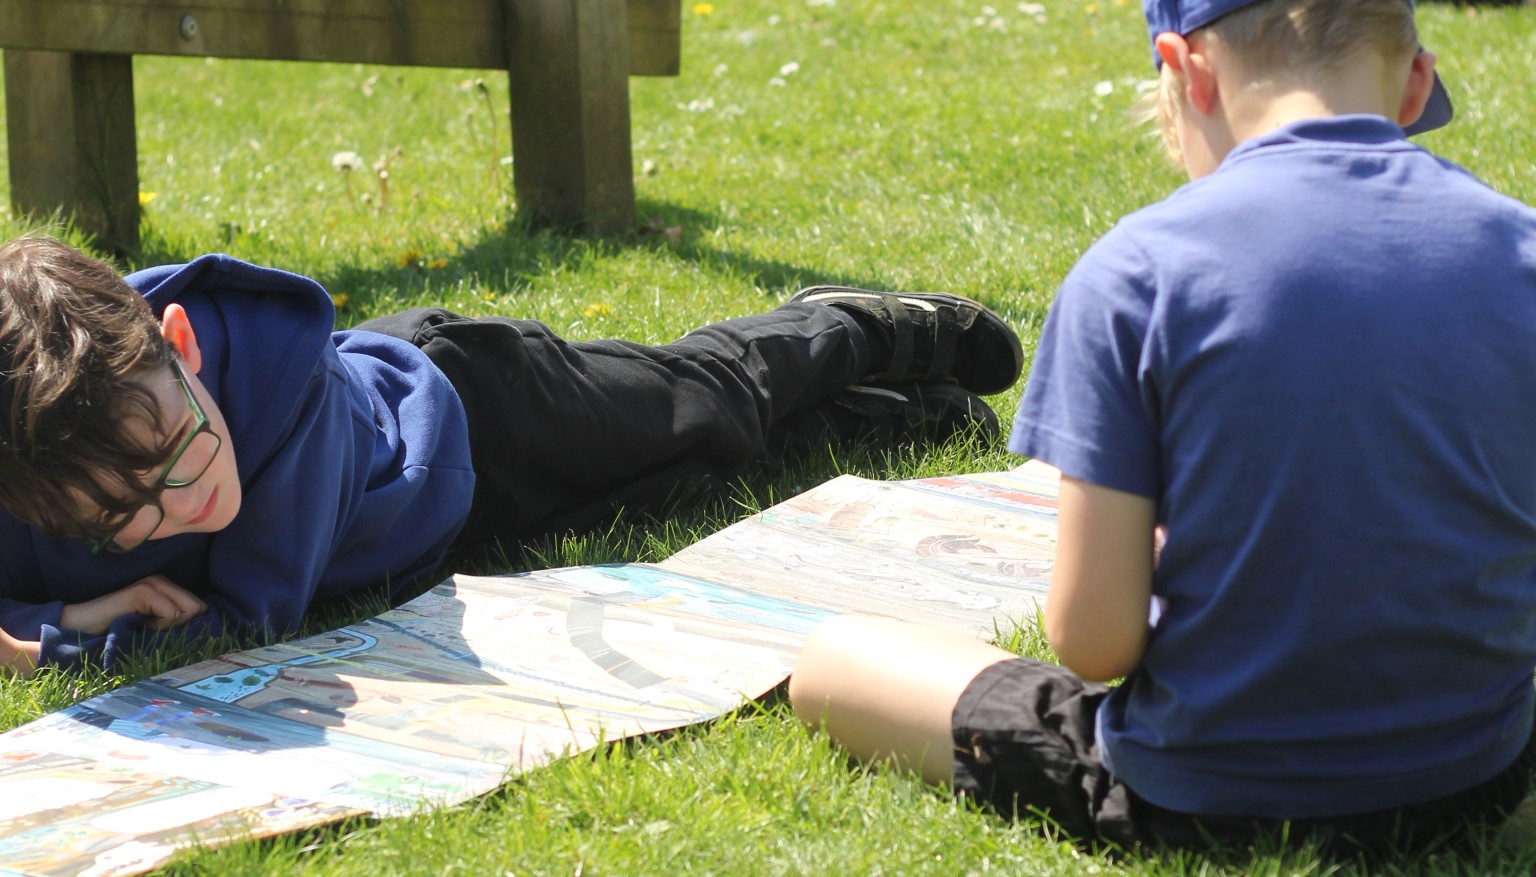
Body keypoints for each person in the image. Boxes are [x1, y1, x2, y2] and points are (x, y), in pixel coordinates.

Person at [790, 0, 1536, 857]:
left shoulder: (1137, 272)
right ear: (1414, 85)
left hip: (1203, 794)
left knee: (838, 657)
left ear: (1187, 73)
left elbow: (1094, 642)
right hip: (1473, 779)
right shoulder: (1521, 248)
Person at [0, 236, 1021, 670]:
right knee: (693, 482)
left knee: (703, 405)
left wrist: (59, 636)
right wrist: (83, 609)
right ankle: (876, 418)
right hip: (456, 534)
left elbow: (242, 623)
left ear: (181, 348)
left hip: (478, 406)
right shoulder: (43, 465)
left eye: (177, 453)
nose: (176, 506)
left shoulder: (279, 390)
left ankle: (859, 329)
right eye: (116, 518)